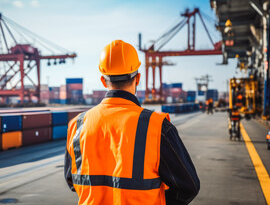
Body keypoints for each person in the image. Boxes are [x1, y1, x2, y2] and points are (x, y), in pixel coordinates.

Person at [64, 40, 200, 205]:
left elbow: (72, 180)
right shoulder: (157, 126)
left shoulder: (77, 125)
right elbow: (188, 187)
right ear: (138, 78)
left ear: (102, 80)